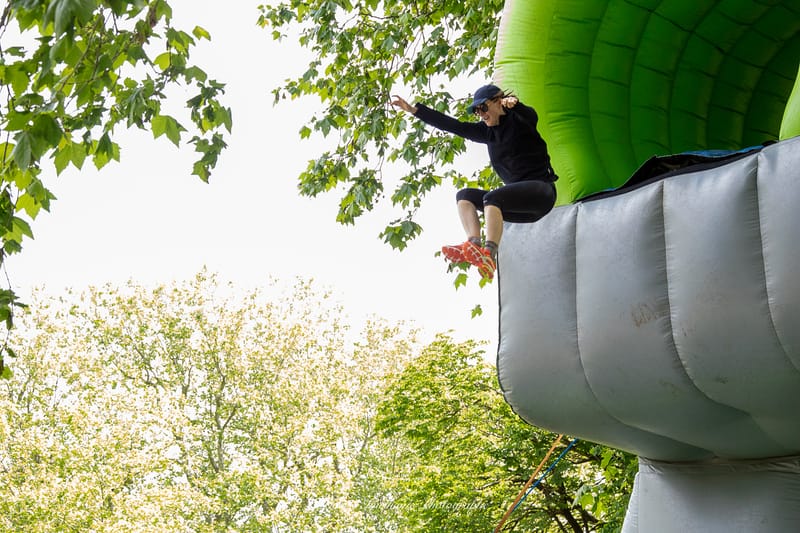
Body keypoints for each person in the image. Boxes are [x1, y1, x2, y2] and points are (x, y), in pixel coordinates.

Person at [391, 84, 557, 280]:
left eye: (483, 108)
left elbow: (531, 116)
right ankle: (474, 244)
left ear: (498, 102)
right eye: (477, 111)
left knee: (492, 198)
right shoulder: (486, 132)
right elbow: (454, 126)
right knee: (464, 196)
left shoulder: (519, 120)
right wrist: (415, 111)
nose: (481, 114)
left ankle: (490, 254)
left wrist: (516, 106)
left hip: (542, 193)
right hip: (521, 206)